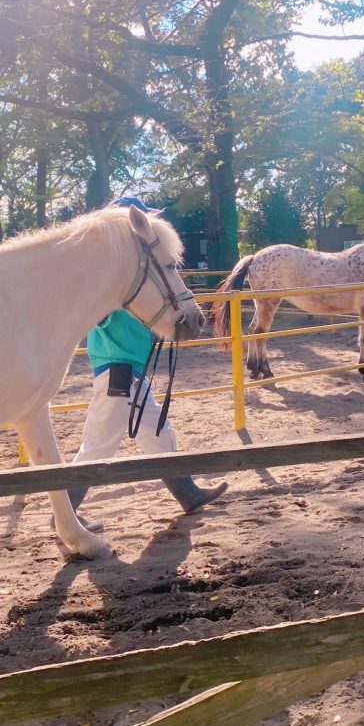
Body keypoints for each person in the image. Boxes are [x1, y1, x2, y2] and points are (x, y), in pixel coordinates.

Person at [65, 196, 228, 522]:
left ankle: (188, 494)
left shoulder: (131, 279)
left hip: (128, 369)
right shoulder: (111, 281)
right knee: (98, 446)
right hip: (117, 369)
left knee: (157, 431)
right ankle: (64, 511)